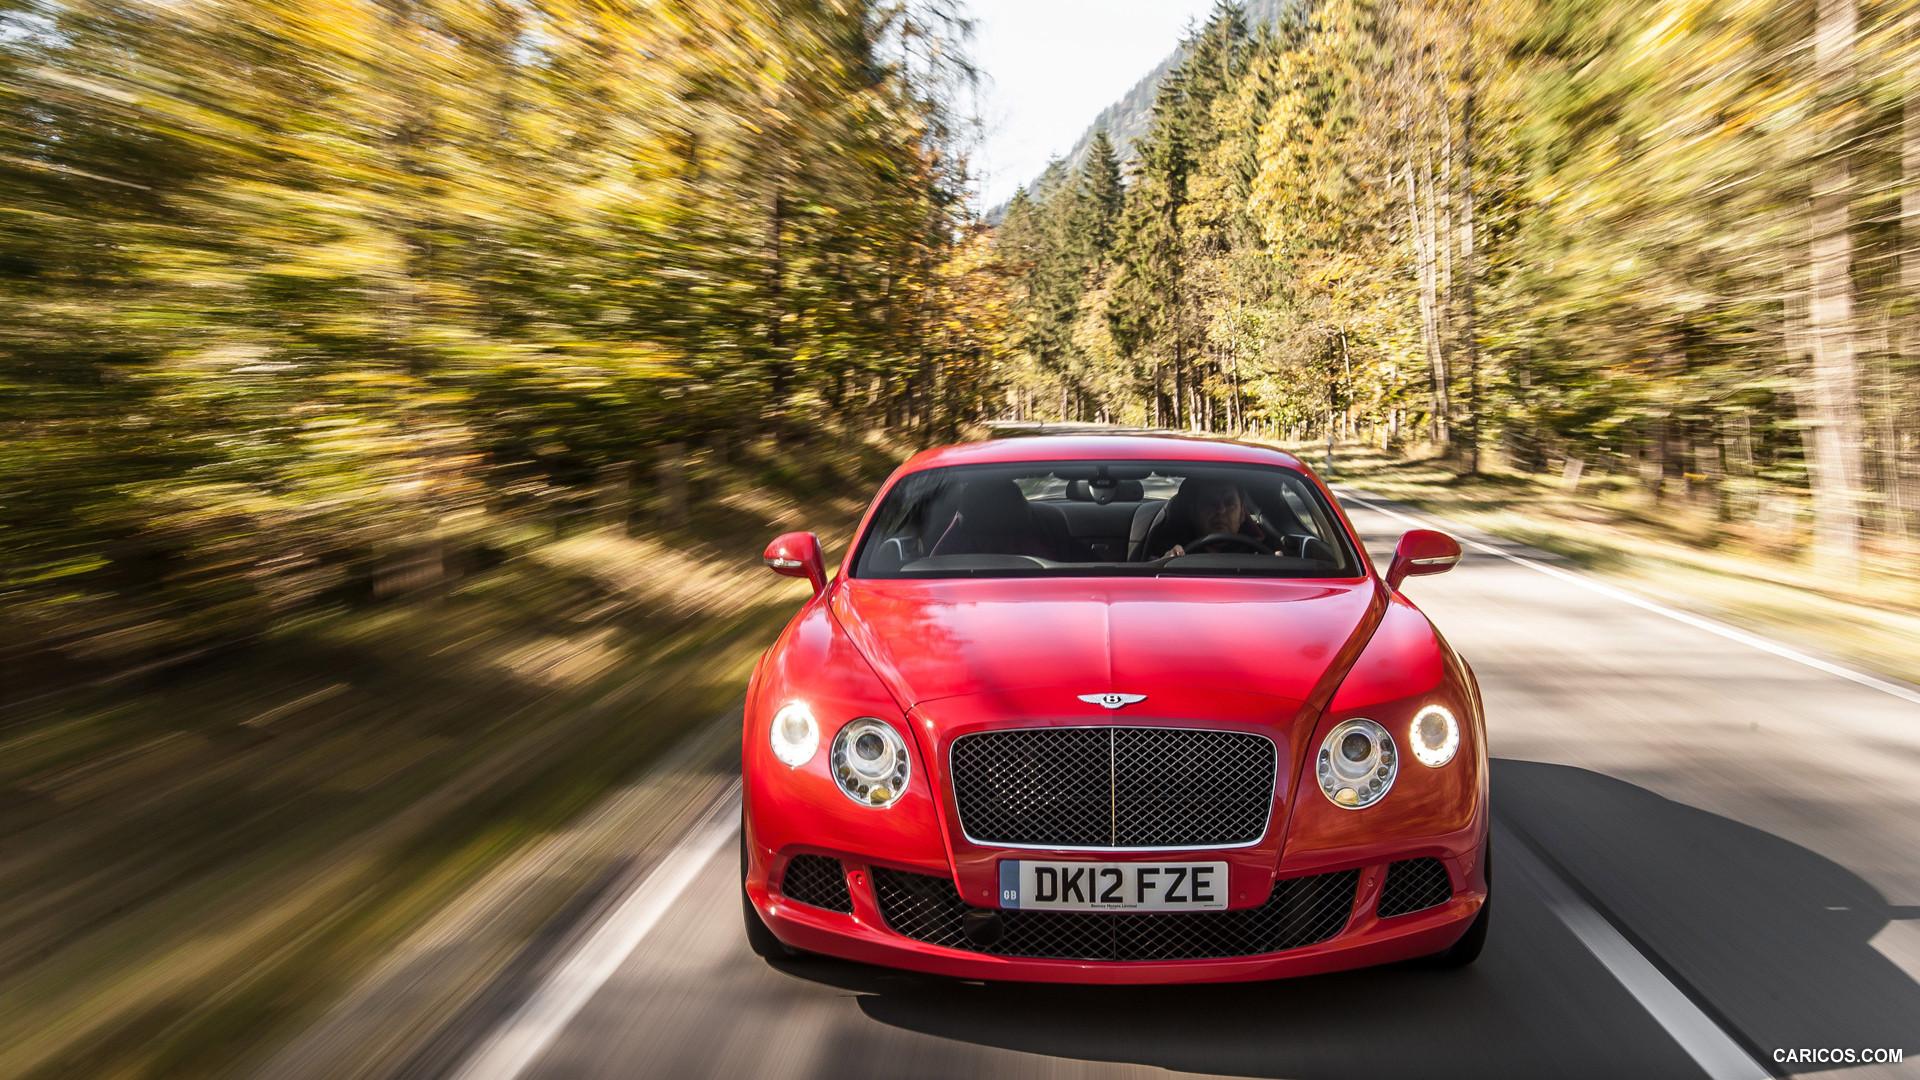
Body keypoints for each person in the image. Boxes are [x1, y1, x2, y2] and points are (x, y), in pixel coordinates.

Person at [1158, 476, 1270, 557]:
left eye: (1229, 503)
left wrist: (1278, 564)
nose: (1221, 510)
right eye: (1210, 502)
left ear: (1242, 514)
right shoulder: (1169, 549)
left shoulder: (1263, 551)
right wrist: (1165, 563)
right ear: (1193, 513)